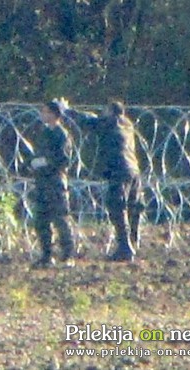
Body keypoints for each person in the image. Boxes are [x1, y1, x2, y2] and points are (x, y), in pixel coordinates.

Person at [63, 99, 142, 262]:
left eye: (104, 110)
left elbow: (88, 122)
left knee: (117, 207)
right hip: (133, 170)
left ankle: (125, 247)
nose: (102, 113)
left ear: (110, 111)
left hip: (118, 170)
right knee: (133, 208)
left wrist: (66, 110)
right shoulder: (127, 124)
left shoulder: (111, 123)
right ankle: (133, 243)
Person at [30, 100, 76, 268]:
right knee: (41, 220)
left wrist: (46, 163)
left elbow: (64, 160)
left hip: (55, 182)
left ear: (54, 114)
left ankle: (68, 255)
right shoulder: (44, 132)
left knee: (60, 219)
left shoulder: (61, 134)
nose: (43, 114)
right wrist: (34, 163)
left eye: (46, 111)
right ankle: (46, 255)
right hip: (42, 182)